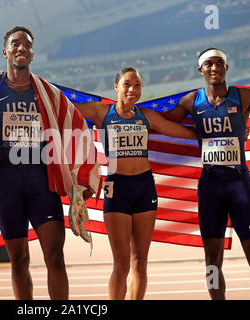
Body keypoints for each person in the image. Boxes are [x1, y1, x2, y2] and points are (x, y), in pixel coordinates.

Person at [0, 26, 100, 300]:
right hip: (7, 185)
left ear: (32, 53)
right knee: (18, 259)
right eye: (15, 44)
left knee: (55, 256)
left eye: (27, 45)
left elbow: (75, 128)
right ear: (5, 51)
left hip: (42, 183)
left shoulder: (48, 94)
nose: (22, 48)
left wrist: (82, 178)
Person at [167, 47, 250, 300]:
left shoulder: (244, 97)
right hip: (211, 188)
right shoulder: (191, 102)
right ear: (201, 70)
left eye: (219, 63)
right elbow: (161, 121)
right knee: (212, 259)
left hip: (239, 187)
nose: (214, 68)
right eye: (209, 64)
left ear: (226, 68)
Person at [72, 67, 197, 299]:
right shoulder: (102, 112)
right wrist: (29, 85)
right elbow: (64, 107)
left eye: (137, 85)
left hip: (144, 187)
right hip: (116, 188)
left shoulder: (146, 116)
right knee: (121, 264)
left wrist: (218, 134)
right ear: (116, 87)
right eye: (127, 84)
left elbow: (181, 132)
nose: (132, 89)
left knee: (140, 261)